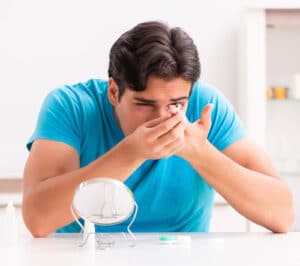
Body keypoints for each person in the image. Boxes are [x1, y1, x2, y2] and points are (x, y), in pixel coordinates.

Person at [22, 21, 294, 237]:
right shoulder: (71, 106)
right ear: (114, 92)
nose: (163, 118)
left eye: (177, 103)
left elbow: (283, 214)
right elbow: (38, 220)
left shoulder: (206, 106)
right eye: (145, 104)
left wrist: (199, 152)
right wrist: (130, 154)